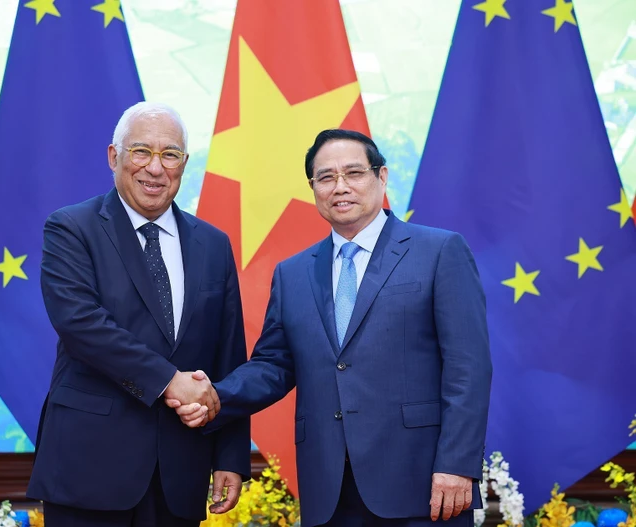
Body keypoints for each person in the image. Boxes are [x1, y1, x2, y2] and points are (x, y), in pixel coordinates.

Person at [169, 129, 492, 527]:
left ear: (382, 176)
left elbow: (468, 368)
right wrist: (213, 395)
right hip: (330, 490)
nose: (340, 186)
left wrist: (458, 464)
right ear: (313, 188)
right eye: (326, 177)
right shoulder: (294, 273)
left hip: (424, 484)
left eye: (353, 173)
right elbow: (273, 366)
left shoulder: (439, 251)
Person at [27, 102, 251, 527]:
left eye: (170, 154)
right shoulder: (71, 228)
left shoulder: (214, 244)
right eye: (141, 151)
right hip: (89, 467)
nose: (155, 167)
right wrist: (169, 380)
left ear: (184, 164)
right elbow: (81, 324)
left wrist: (231, 456)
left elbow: (229, 355)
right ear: (115, 157)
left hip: (180, 473)